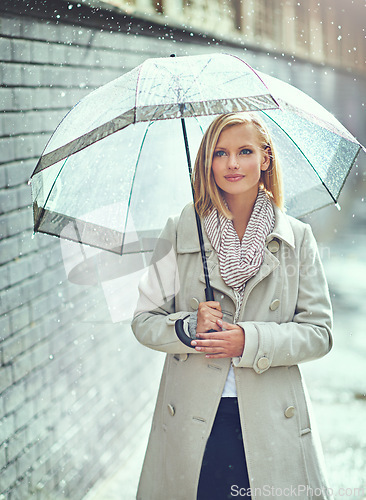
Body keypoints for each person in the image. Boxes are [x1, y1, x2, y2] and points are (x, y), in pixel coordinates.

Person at [131, 112, 333, 500]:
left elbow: (319, 334)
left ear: (266, 158)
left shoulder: (297, 238)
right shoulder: (180, 230)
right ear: (207, 161)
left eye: (245, 151)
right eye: (220, 153)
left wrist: (249, 341)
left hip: (271, 418)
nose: (233, 164)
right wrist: (189, 325)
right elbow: (144, 320)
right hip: (194, 420)